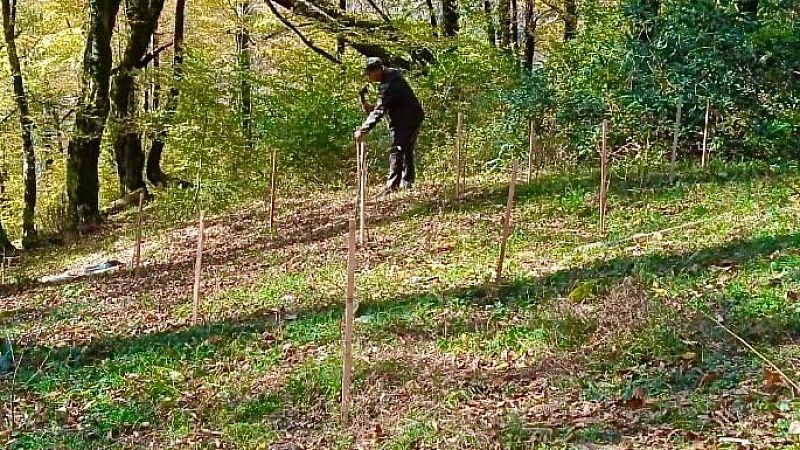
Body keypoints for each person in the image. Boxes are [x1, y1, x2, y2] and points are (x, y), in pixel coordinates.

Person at [354, 57, 425, 194]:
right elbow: (387, 105)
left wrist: (364, 129)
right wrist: (372, 107)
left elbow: (381, 109)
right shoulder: (390, 80)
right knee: (405, 149)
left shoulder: (391, 84)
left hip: (407, 120)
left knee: (397, 148)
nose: (369, 78)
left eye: (370, 74)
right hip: (409, 117)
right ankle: (407, 182)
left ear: (378, 70)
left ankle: (393, 186)